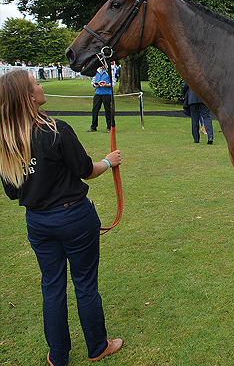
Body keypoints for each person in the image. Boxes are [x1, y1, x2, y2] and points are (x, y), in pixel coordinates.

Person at [0, 69, 123, 366]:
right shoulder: (55, 129)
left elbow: (13, 192)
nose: (40, 86)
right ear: (29, 96)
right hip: (73, 219)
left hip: (39, 223)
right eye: (35, 83)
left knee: (52, 287)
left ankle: (58, 355)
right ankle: (97, 347)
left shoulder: (6, 141)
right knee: (84, 284)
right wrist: (108, 161)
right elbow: (85, 169)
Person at [87, 66, 114, 133]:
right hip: (98, 93)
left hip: (106, 94)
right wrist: (94, 84)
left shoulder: (110, 71)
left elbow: (113, 83)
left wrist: (106, 85)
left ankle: (110, 127)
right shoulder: (96, 71)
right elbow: (93, 81)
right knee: (95, 110)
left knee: (108, 110)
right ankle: (93, 127)